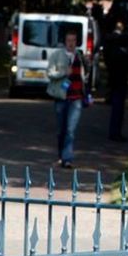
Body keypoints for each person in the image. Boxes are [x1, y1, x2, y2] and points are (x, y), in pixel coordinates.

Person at [46, 31, 88, 168]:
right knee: (61, 130)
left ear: (76, 42)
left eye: (74, 40)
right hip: (61, 97)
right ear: (65, 42)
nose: (71, 43)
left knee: (71, 130)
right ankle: (61, 155)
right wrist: (64, 72)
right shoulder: (57, 55)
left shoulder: (80, 56)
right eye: (69, 40)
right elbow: (50, 73)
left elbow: (85, 74)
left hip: (76, 98)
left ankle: (67, 159)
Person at [103, 21, 128, 141]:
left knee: (116, 107)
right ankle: (115, 132)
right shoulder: (122, 54)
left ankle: (114, 131)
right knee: (118, 108)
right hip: (120, 81)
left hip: (113, 79)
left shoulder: (110, 47)